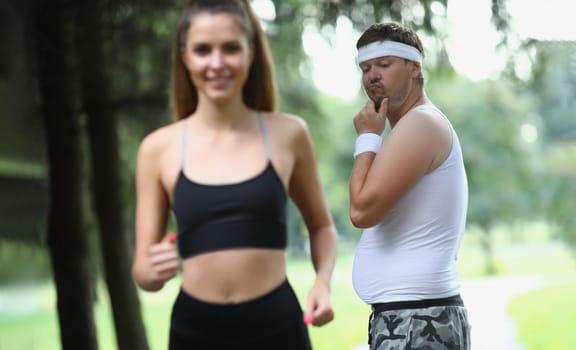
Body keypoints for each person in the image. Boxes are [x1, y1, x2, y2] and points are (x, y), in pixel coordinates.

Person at [131, 1, 338, 349]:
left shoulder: (288, 134)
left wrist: (322, 282)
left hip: (278, 327)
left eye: (230, 48)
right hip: (194, 331)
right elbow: (142, 270)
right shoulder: (158, 148)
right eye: (202, 50)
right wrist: (151, 273)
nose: (216, 63)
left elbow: (322, 227)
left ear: (251, 52)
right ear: (184, 57)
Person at [348, 22, 471, 349]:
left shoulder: (422, 123)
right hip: (409, 316)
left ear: (415, 67)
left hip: (418, 319)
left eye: (384, 65)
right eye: (366, 67)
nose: (372, 75)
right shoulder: (411, 127)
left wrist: (367, 137)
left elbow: (361, 210)